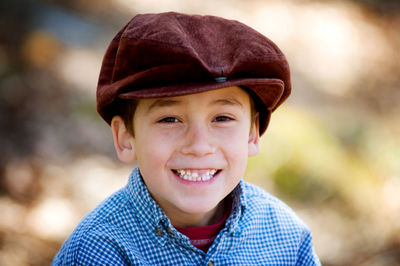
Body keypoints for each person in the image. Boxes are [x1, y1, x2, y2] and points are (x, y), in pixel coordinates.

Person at [53, 12, 320, 265]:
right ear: (125, 138)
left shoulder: (286, 236)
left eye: (222, 118)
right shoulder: (98, 250)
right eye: (170, 119)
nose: (199, 145)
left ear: (252, 134)